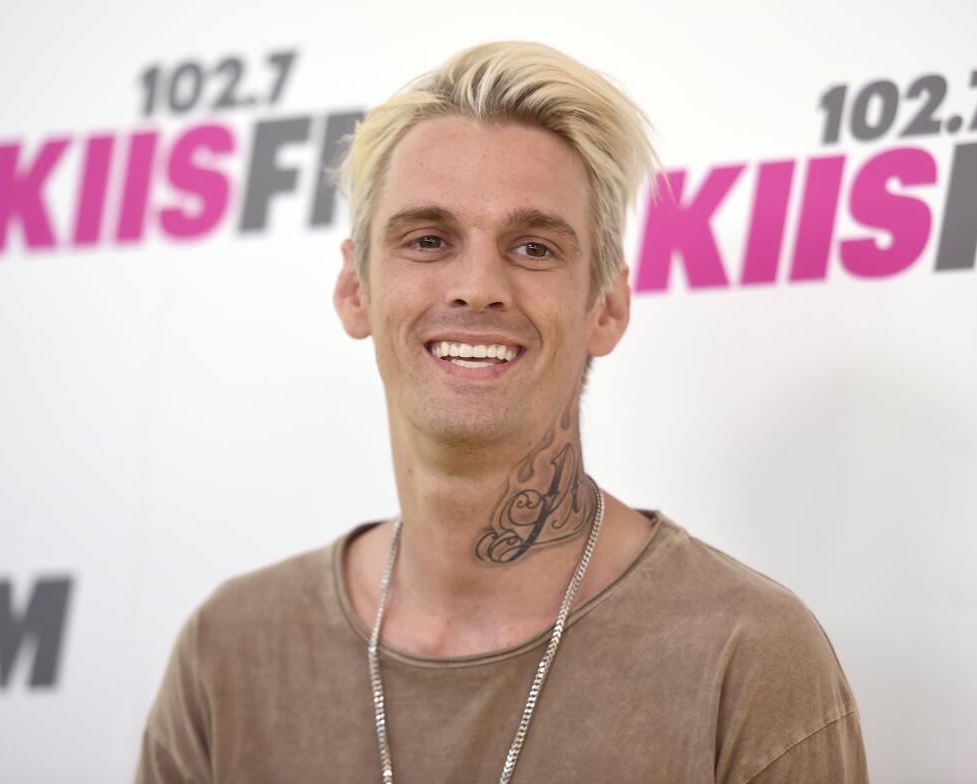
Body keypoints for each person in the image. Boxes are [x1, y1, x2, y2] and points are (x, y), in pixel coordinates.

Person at [136, 41, 868, 783]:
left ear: (606, 307)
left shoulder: (747, 658)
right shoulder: (230, 653)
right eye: (428, 240)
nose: (477, 286)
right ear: (356, 291)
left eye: (533, 247)